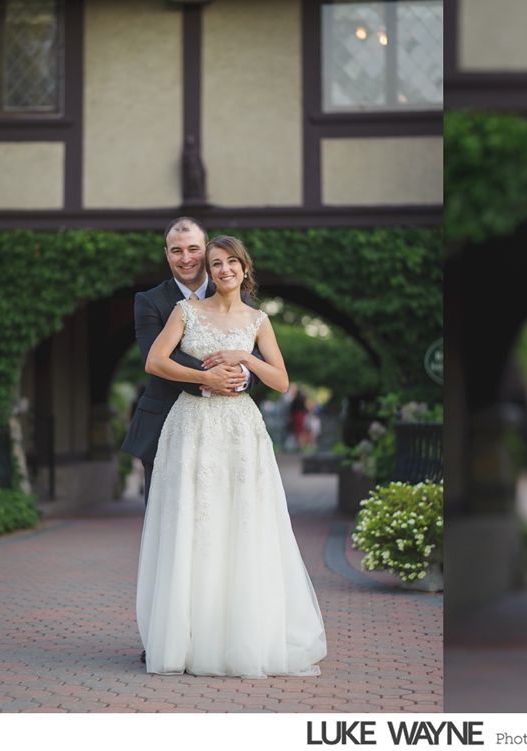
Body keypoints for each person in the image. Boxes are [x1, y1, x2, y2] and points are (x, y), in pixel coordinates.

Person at [136, 235, 327, 677]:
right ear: (210, 270)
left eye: (231, 263)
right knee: (195, 523)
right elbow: (154, 361)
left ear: (244, 268)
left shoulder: (258, 320)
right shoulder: (186, 312)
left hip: (240, 430)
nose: (223, 270)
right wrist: (204, 378)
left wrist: (245, 356)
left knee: (240, 522)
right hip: (192, 425)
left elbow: (280, 380)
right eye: (216, 263)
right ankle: (189, 638)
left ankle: (241, 635)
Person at [122, 217, 251, 506]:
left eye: (193, 249)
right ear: (166, 253)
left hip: (225, 427)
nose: (186, 258)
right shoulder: (149, 301)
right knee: (167, 520)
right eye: (176, 250)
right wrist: (209, 379)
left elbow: (254, 353)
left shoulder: (235, 293)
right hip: (165, 422)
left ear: (206, 249)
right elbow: (155, 357)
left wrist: (240, 375)